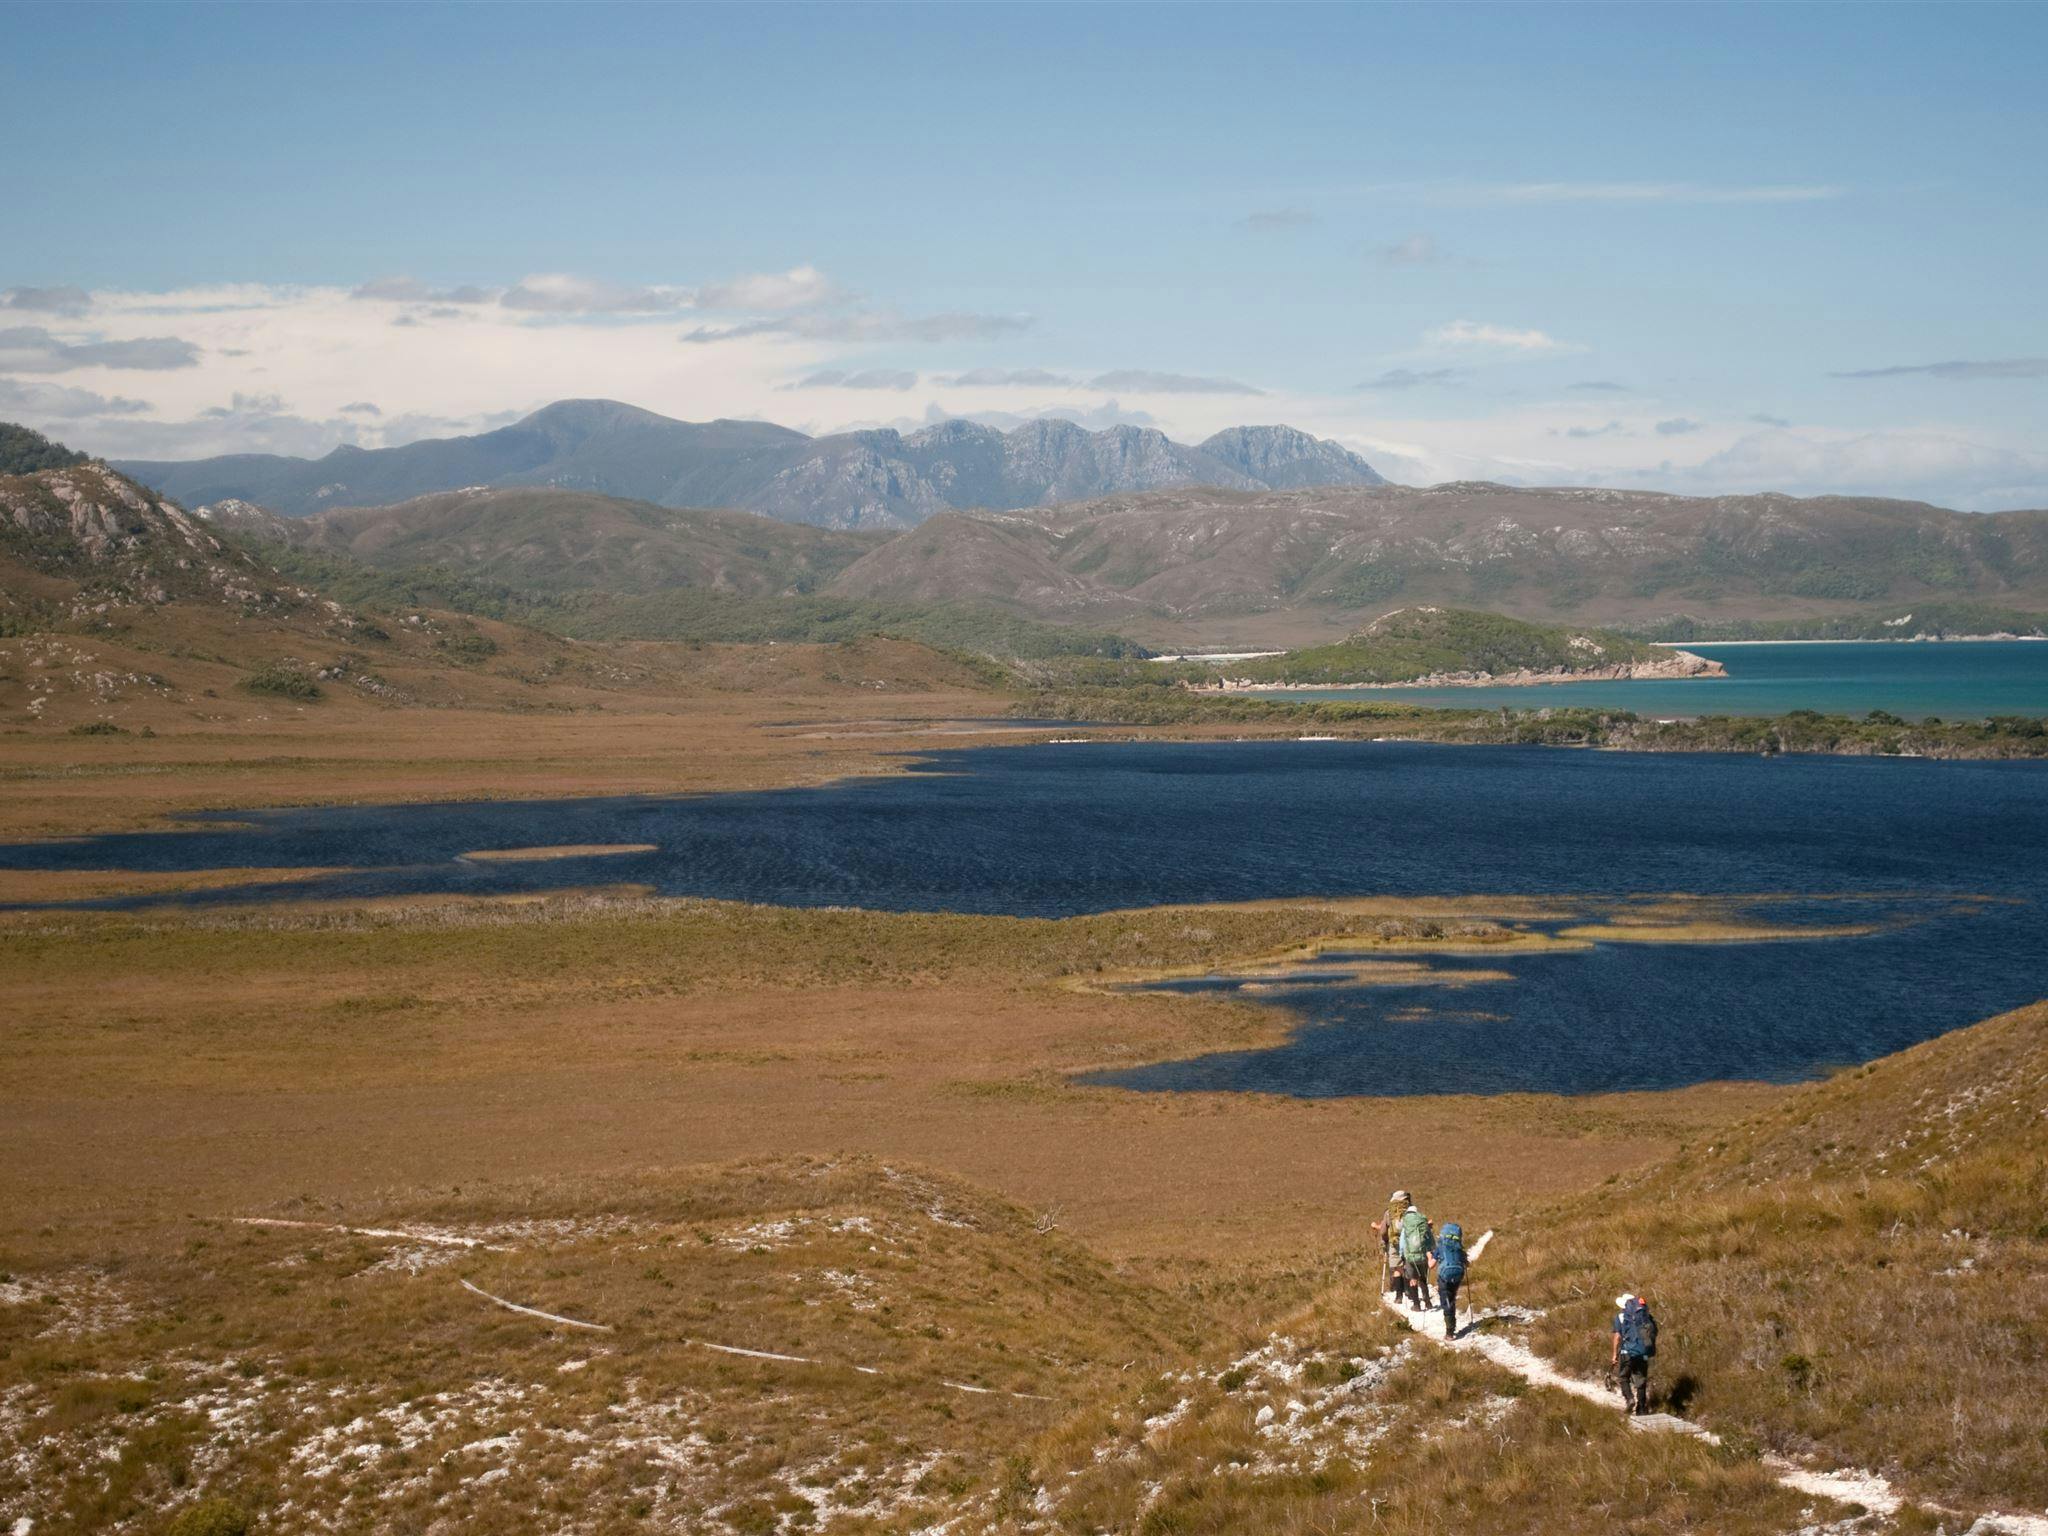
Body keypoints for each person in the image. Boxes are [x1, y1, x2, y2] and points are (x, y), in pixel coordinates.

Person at [1611, 1292, 1658, 1414]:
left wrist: (1614, 1355)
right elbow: (1654, 1332)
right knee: (1641, 1380)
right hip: (1643, 1352)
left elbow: (1617, 1337)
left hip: (1627, 1351)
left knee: (1623, 1377)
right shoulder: (1646, 1316)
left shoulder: (1620, 1317)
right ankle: (1641, 1408)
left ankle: (1630, 1399)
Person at [1372, 1191, 1411, 1305]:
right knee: (1407, 1266)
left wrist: (1385, 1240)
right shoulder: (1411, 1211)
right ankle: (1409, 1292)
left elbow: (1383, 1231)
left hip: (1394, 1242)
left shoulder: (1389, 1212)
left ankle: (1399, 1296)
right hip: (1409, 1242)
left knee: (1397, 1268)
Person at [1431, 1221, 1468, 1336]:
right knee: (1451, 1298)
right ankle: (1452, 1324)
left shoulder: (1440, 1247)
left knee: (1446, 1301)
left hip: (1444, 1277)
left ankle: (1450, 1332)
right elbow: (1466, 1263)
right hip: (1458, 1276)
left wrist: (1429, 1256)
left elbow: (1431, 1265)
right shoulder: (1459, 1248)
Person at [1398, 1201, 1434, 1312]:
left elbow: (1402, 1243)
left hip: (1410, 1257)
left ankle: (1416, 1305)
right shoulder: (1422, 1223)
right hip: (1422, 1255)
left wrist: (1401, 1254)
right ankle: (1428, 1302)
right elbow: (1430, 1240)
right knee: (1422, 1278)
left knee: (1413, 1279)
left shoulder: (1407, 1226)